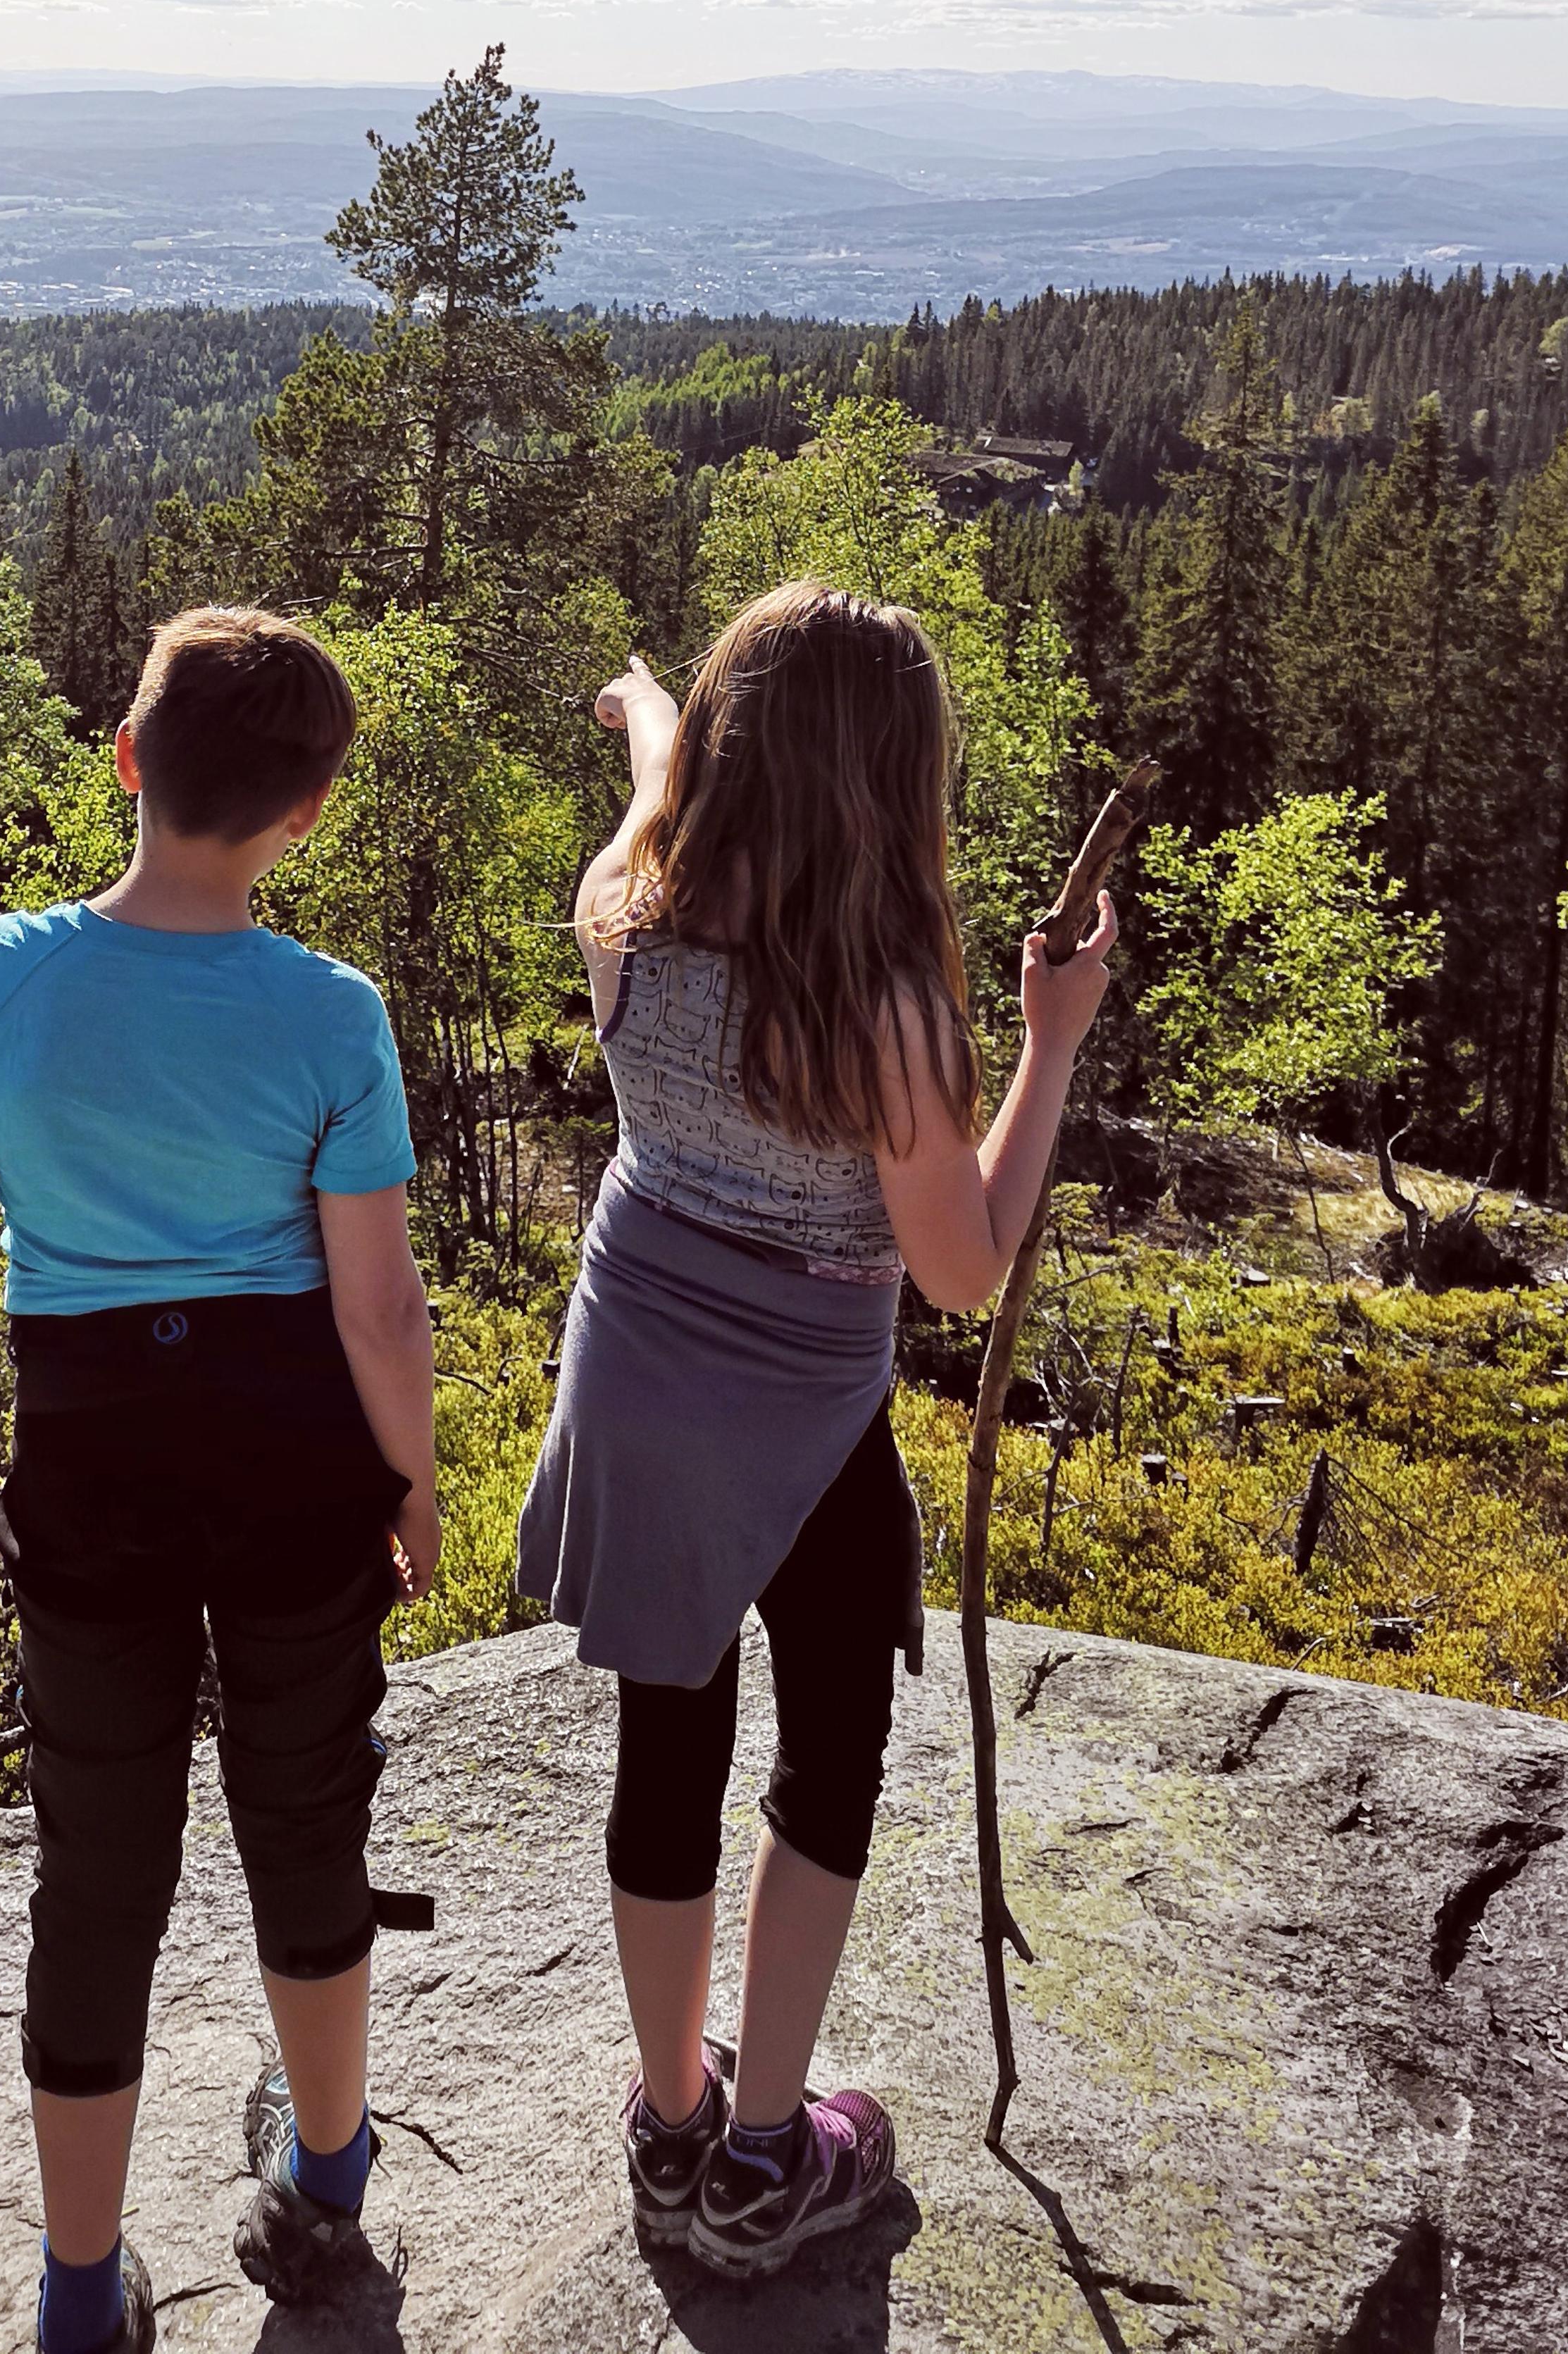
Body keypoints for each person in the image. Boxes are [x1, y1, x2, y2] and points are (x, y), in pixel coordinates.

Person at [516, 580, 1115, 2281]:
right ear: (898, 785)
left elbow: (652, 806)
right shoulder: (892, 1018)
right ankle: (770, 2147)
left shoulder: (622, 909)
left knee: (666, 1749)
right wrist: (1048, 1043)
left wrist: (649, 719)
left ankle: (670, 2115)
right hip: (813, 1405)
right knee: (825, 1750)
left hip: (638, 1364)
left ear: (726, 754)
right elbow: (960, 1268)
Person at [0, 605, 440, 2354]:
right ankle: (326, 2183)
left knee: (99, 1872)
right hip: (293, 1464)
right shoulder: (332, 1013)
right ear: (313, 812)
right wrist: (413, 1481)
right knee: (307, 1815)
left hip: (92, 1458)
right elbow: (375, 1299)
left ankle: (76, 2286)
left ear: (125, 760)